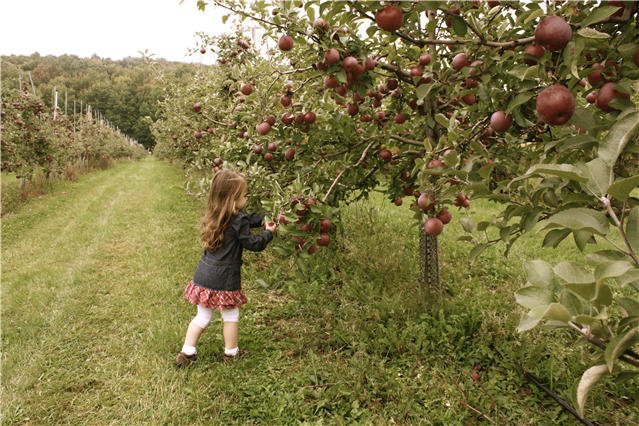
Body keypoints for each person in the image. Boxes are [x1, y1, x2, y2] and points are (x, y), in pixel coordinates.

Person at [175, 169, 277, 366]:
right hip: (225, 278)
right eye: (245, 196)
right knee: (231, 316)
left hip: (204, 275)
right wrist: (269, 232)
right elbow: (254, 243)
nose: (247, 199)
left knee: (203, 316)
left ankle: (186, 352)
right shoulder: (237, 220)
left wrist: (267, 216)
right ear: (233, 198)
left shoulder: (216, 214)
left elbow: (249, 218)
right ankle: (231, 354)